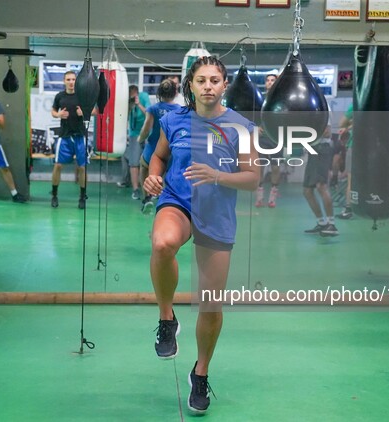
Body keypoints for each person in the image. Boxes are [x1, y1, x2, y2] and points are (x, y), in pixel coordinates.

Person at [143, 56, 259, 415]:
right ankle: (167, 319)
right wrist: (152, 175)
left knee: (210, 302)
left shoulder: (240, 127)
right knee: (162, 244)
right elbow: (158, 158)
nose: (208, 86)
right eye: (201, 80)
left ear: (225, 85)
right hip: (177, 199)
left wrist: (218, 176)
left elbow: (253, 178)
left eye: (214, 80)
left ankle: (201, 371)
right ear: (189, 86)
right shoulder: (172, 119)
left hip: (216, 212)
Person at [137, 78, 181, 214]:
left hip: (153, 149)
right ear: (176, 93)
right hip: (172, 151)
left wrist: (140, 139)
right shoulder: (180, 110)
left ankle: (147, 197)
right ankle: (167, 202)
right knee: (168, 175)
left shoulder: (153, 109)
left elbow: (146, 128)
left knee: (144, 167)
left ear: (159, 93)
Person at [50, 70, 88, 210]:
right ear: (64, 81)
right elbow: (53, 111)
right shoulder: (60, 96)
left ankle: (82, 197)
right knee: (58, 165)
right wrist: (58, 114)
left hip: (80, 136)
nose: (71, 82)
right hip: (64, 136)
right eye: (68, 79)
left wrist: (84, 112)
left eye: (73, 79)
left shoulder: (82, 96)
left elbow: (94, 111)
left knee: (82, 167)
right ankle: (54, 195)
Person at [302, 117, 339, 237]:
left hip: (321, 149)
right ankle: (322, 223)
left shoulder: (323, 108)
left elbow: (327, 133)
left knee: (321, 186)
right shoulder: (307, 109)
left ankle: (331, 224)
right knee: (307, 191)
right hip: (312, 150)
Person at [255, 73, 281, 208]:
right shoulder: (261, 99)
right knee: (260, 166)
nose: (270, 82)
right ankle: (259, 197)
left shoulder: (282, 99)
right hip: (263, 137)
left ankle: (273, 196)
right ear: (265, 84)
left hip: (277, 137)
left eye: (273, 80)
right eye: (268, 80)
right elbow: (253, 116)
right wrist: (256, 128)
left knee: (275, 167)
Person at [122, 84, 151, 200]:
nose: (132, 97)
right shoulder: (127, 101)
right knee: (134, 163)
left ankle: (149, 190)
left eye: (133, 95)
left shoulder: (144, 97)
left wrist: (138, 104)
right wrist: (129, 106)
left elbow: (148, 114)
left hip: (147, 133)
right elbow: (124, 118)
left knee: (148, 162)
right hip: (134, 134)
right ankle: (135, 189)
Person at [336, 103, 354, 219]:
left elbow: (341, 124)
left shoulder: (355, 105)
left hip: (356, 146)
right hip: (376, 146)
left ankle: (348, 209)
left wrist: (350, 125)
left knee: (351, 180)